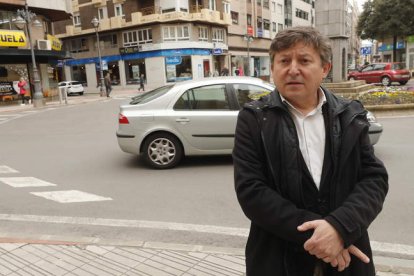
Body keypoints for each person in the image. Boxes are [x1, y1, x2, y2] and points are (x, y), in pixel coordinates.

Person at [233, 26, 388, 276]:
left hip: (346, 260)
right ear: (273, 69)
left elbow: (373, 179)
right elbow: (252, 191)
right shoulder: (254, 118)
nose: (293, 69)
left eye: (304, 60)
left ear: (324, 69)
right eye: (284, 61)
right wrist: (322, 237)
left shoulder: (349, 114)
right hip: (278, 260)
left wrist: (339, 228)